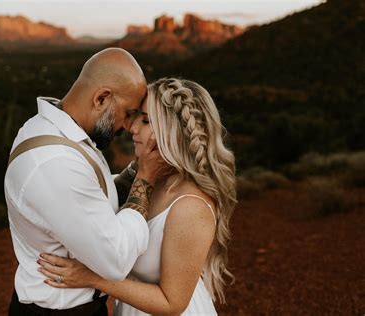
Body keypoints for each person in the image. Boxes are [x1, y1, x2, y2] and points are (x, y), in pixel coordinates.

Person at [37, 78, 237, 315]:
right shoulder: (152, 179)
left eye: (145, 120)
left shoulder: (191, 207)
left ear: (172, 130)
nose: (132, 128)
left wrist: (92, 278)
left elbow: (172, 303)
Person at [4, 48, 167, 315]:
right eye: (128, 113)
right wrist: (145, 179)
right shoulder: (56, 162)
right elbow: (115, 261)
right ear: (102, 98)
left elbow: (90, 198)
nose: (128, 125)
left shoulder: (56, 131)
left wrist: (135, 170)